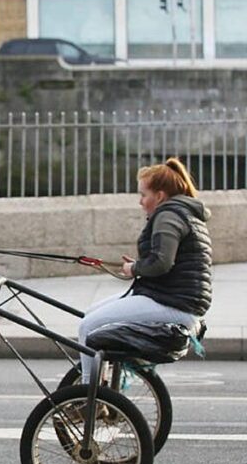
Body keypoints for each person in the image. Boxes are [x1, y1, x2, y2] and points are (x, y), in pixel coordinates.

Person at [77, 157, 211, 382]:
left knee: (87, 326)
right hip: (173, 298)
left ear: (159, 196)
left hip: (174, 303)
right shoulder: (181, 213)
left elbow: (162, 263)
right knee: (90, 315)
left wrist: (135, 268)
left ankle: (91, 395)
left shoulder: (168, 215)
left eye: (143, 195)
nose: (140, 202)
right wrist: (139, 267)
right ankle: (102, 386)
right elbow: (167, 262)